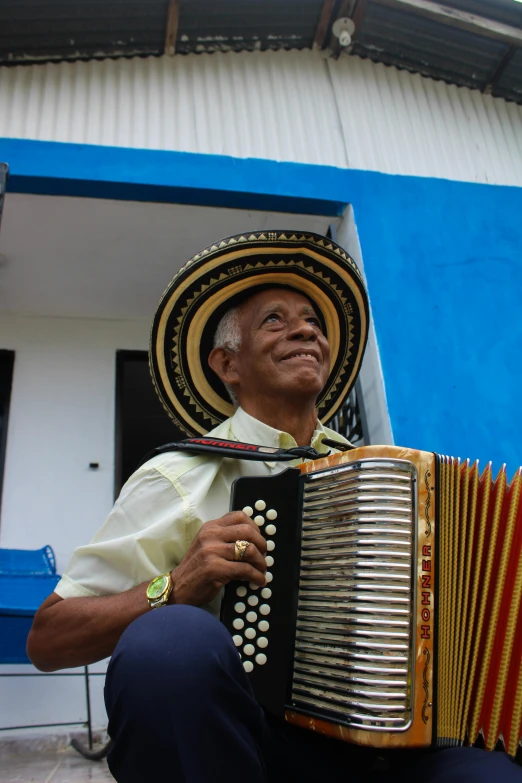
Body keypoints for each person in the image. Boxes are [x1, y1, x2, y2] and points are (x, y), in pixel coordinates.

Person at [27, 232, 520, 782]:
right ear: (227, 363)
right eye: (275, 321)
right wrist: (175, 587)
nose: (306, 329)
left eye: (312, 320)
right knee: (165, 644)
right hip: (259, 747)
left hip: (406, 744)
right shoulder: (180, 476)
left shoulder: (386, 477)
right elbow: (48, 638)